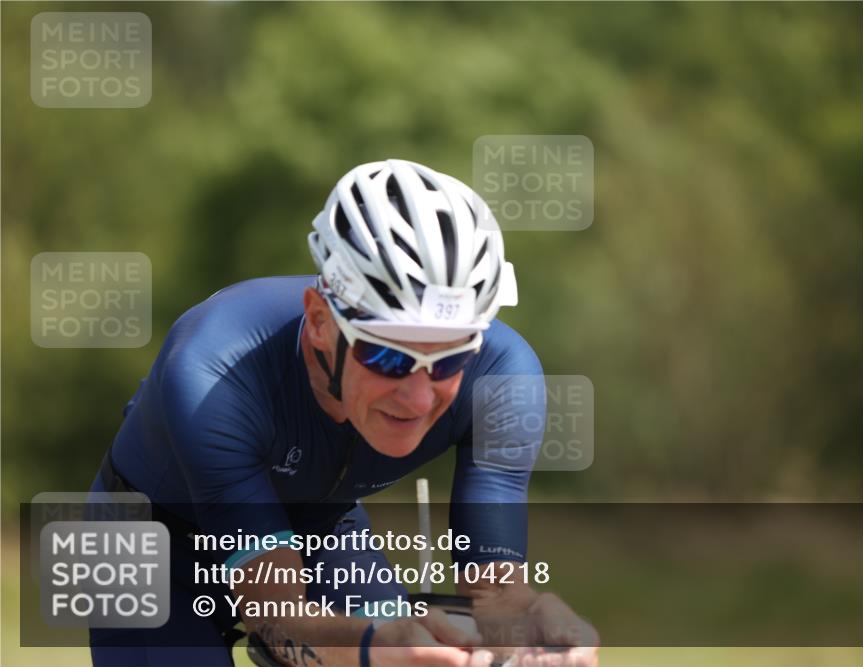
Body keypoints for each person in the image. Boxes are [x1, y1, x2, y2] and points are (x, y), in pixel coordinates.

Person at [89, 159, 598, 667]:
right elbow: (275, 611)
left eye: (451, 358)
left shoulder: (503, 378)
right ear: (319, 322)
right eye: (388, 356)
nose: (419, 399)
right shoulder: (211, 370)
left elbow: (495, 595)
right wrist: (369, 649)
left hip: (321, 524)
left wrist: (527, 621)